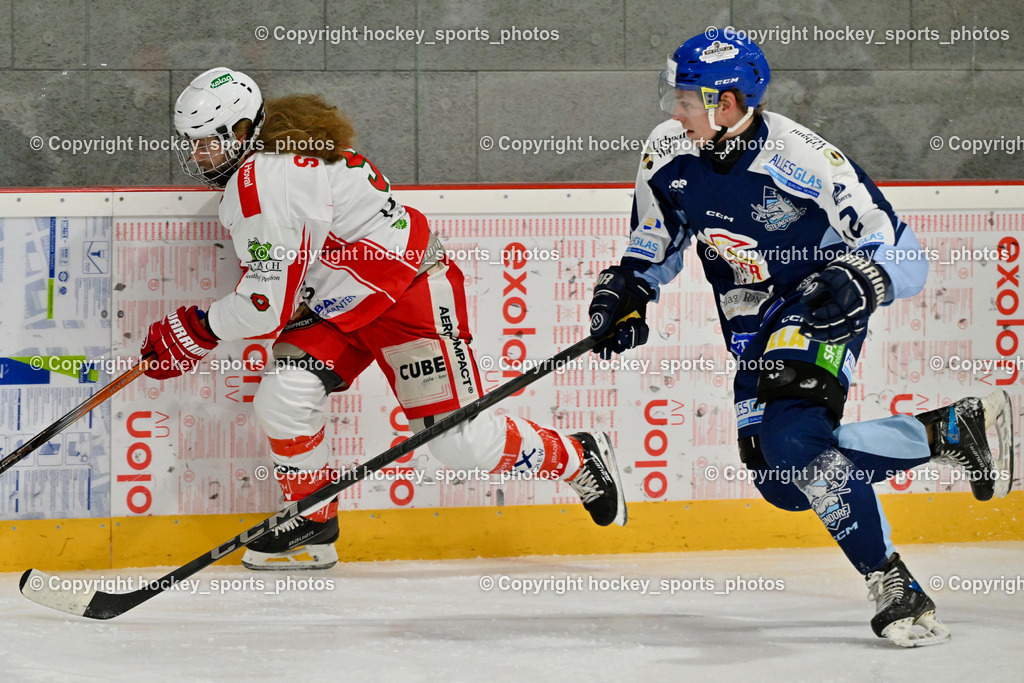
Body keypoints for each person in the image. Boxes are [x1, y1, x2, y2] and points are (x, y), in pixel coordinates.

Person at [587, 31, 1014, 647]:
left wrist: (863, 276)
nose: (671, 113)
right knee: (782, 479)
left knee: (793, 439)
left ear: (725, 102)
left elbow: (905, 256)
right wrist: (628, 287)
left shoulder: (802, 158)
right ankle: (945, 431)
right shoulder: (664, 154)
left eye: (683, 100)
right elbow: (656, 239)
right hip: (751, 324)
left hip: (820, 310)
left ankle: (895, 586)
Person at [142, 67, 627, 571]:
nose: (197, 156)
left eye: (207, 142)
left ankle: (576, 456)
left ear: (242, 132)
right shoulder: (272, 162)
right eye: (192, 143)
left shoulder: (267, 180)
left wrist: (196, 329)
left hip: (409, 296)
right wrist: (201, 329)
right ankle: (312, 522)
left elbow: (266, 306)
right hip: (339, 305)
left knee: (459, 443)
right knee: (284, 397)